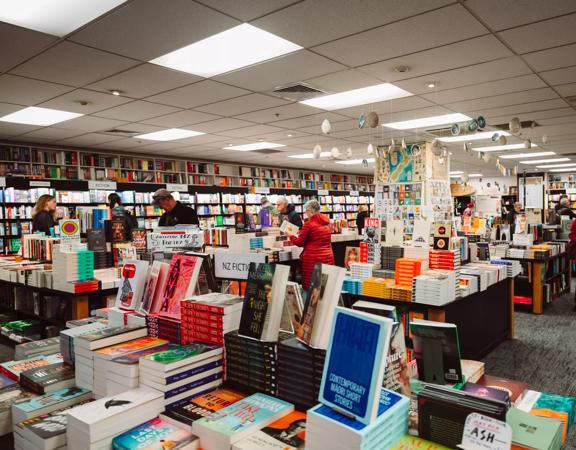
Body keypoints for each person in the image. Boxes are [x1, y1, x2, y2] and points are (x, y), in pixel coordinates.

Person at [286, 199, 334, 289]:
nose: (306, 214)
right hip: (327, 257)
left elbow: (300, 242)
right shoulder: (326, 223)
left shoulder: (309, 224)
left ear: (310, 211)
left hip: (313, 259)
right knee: (324, 286)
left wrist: (291, 235)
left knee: (311, 288)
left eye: (306, 211)